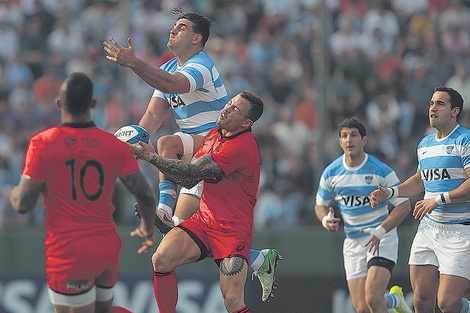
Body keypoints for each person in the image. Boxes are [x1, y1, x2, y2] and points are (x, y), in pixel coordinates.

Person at [103, 8, 280, 302]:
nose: (173, 30)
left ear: (198, 38)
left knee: (166, 144)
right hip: (195, 154)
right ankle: (259, 258)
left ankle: (163, 207)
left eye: (181, 27)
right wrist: (134, 142)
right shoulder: (170, 67)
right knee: (179, 239)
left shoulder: (202, 66)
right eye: (174, 25)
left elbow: (172, 86)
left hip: (216, 149)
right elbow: (151, 115)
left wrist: (134, 63)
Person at [9, 72, 158, 313]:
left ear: (59, 103)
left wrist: (12, 194)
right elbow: (147, 196)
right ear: (93, 104)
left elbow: (23, 204)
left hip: (69, 252)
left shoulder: (44, 142)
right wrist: (148, 229)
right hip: (107, 250)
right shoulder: (114, 145)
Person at [129, 90, 265, 313]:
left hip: (232, 230)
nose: (227, 108)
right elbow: (188, 181)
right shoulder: (213, 135)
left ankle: (258, 258)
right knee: (161, 259)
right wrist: (156, 156)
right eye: (230, 103)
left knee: (232, 302)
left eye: (236, 109)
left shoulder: (241, 147)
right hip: (204, 220)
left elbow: (192, 171)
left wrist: (151, 157)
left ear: (247, 122)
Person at [370, 86, 470, 313]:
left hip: (460, 231)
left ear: (455, 111)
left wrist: (438, 199)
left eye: (440, 104)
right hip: (428, 229)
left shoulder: (465, 140)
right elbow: (419, 179)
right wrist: (391, 192)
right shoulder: (424, 145)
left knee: (446, 303)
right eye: (431, 103)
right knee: (422, 299)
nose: (433, 108)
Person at [315, 117, 413, 313]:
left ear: (364, 140)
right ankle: (394, 301)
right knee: (362, 308)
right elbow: (320, 205)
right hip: (352, 243)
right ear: (339, 141)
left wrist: (380, 230)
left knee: (374, 299)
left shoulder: (381, 170)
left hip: (381, 238)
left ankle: (392, 300)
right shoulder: (331, 173)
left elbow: (404, 206)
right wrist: (326, 220)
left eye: (353, 135)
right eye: (344, 136)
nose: (349, 140)